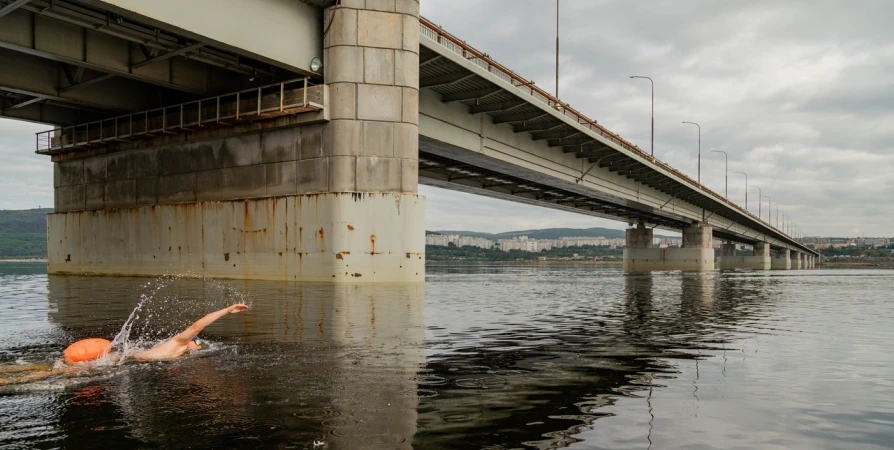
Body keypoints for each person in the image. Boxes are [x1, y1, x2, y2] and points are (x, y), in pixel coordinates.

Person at [0, 303, 249, 387]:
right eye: (198, 344)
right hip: (125, 360)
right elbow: (197, 325)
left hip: (126, 359)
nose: (198, 345)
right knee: (64, 372)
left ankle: (10, 374)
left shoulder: (181, 353)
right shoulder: (179, 342)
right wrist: (227, 310)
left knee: (59, 369)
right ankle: (9, 380)